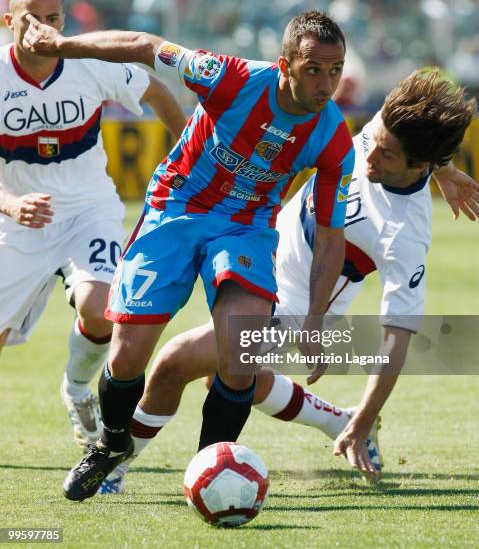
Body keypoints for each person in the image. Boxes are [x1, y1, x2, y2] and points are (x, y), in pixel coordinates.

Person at [23, 9, 357, 500]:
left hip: (245, 228)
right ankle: (111, 447)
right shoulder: (231, 77)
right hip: (176, 207)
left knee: (240, 354)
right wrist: (61, 45)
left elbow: (330, 236)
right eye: (313, 70)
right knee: (128, 353)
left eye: (336, 70)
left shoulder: (333, 137)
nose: (326, 84)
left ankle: (211, 469)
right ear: (284, 65)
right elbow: (143, 45)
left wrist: (313, 318)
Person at [97, 69, 478, 493]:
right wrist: (443, 169)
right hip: (257, 253)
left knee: (174, 363)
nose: (369, 156)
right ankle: (338, 419)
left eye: (387, 156)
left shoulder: (404, 233)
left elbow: (396, 338)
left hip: (300, 306)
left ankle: (112, 467)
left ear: (416, 164)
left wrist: (368, 415)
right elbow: (391, 139)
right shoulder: (382, 134)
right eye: (376, 141)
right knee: (229, 376)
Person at [0, 0, 186, 451]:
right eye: (31, 18)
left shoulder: (89, 63)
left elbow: (156, 91)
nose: (43, 27)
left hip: (89, 210)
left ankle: (78, 389)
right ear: (8, 22)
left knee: (102, 309)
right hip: (17, 220)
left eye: (53, 17)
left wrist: (192, 153)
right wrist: (12, 204)